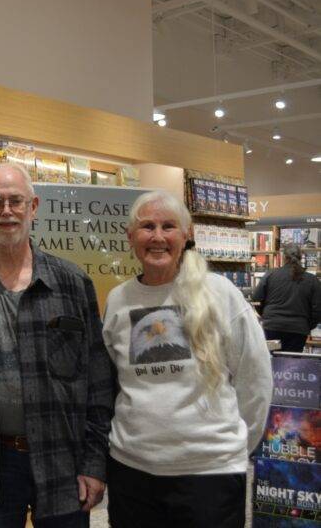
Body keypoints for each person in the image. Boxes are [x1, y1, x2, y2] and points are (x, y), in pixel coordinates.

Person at [0, 162, 113, 527]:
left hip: (63, 462)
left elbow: (98, 381)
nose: (6, 212)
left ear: (33, 207)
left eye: (15, 201)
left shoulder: (72, 283)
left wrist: (95, 464)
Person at [102, 190, 272, 528]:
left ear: (187, 233)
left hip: (209, 474)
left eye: (169, 226)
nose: (158, 237)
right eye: (147, 226)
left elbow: (255, 381)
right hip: (132, 472)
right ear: (131, 236)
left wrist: (232, 445)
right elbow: (113, 381)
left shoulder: (220, 294)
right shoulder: (119, 300)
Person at [254, 242, 321, 353]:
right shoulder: (312, 280)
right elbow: (318, 309)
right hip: (298, 329)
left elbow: (256, 299)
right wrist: (307, 325)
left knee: (272, 362)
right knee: (291, 363)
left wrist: (266, 315)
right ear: (300, 257)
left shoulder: (270, 275)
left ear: (283, 257)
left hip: (272, 326)